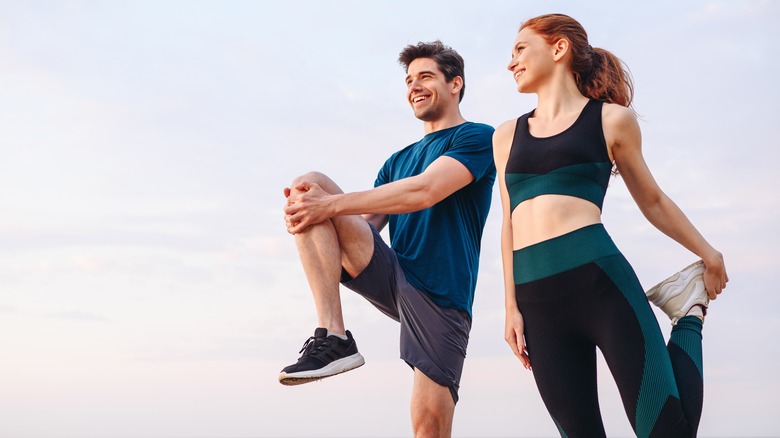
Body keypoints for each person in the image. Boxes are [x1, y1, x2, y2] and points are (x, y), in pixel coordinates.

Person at [493, 14, 728, 437]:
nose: (511, 63)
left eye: (520, 50)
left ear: (559, 48)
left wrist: (707, 253)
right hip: (536, 300)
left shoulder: (611, 120)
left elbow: (652, 201)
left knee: (667, 432)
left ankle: (689, 313)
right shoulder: (506, 135)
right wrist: (510, 306)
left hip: (600, 284)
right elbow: (508, 222)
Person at [279, 40, 496, 437]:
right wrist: (312, 217)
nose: (414, 86)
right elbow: (364, 225)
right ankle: (334, 335)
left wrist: (328, 206)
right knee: (307, 187)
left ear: (455, 84)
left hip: (441, 293)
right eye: (409, 80)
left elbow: (425, 191)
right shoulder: (396, 161)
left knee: (428, 425)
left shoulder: (477, 137)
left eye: (426, 76)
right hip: (393, 274)